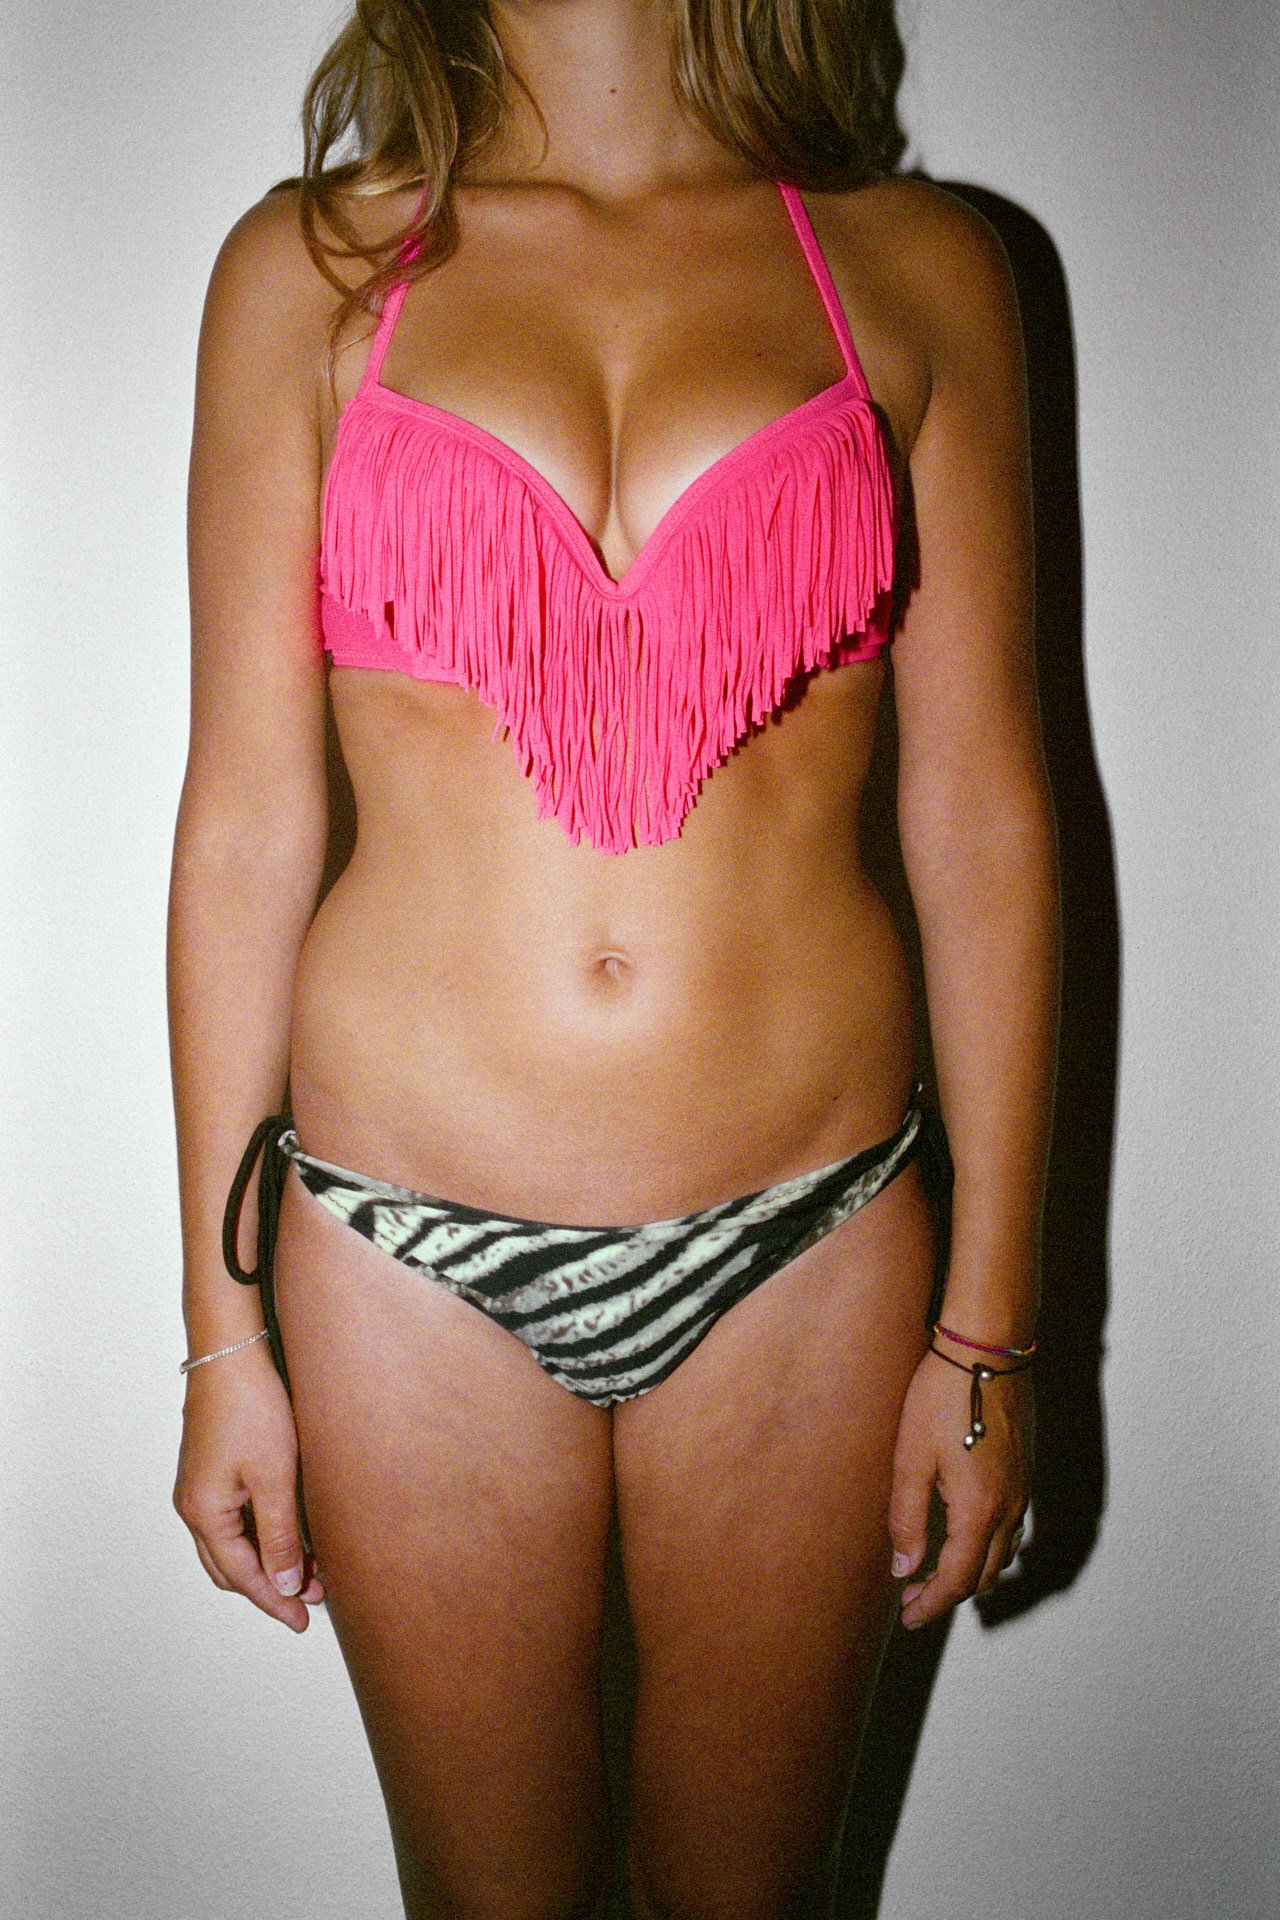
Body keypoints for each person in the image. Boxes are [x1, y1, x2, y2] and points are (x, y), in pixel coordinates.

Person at [169, 3, 1058, 1915]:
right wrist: (220, 1343)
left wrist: (991, 1337)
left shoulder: (916, 266)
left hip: (807, 1248)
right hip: (400, 1252)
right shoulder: (306, 273)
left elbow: (985, 817)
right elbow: (243, 826)